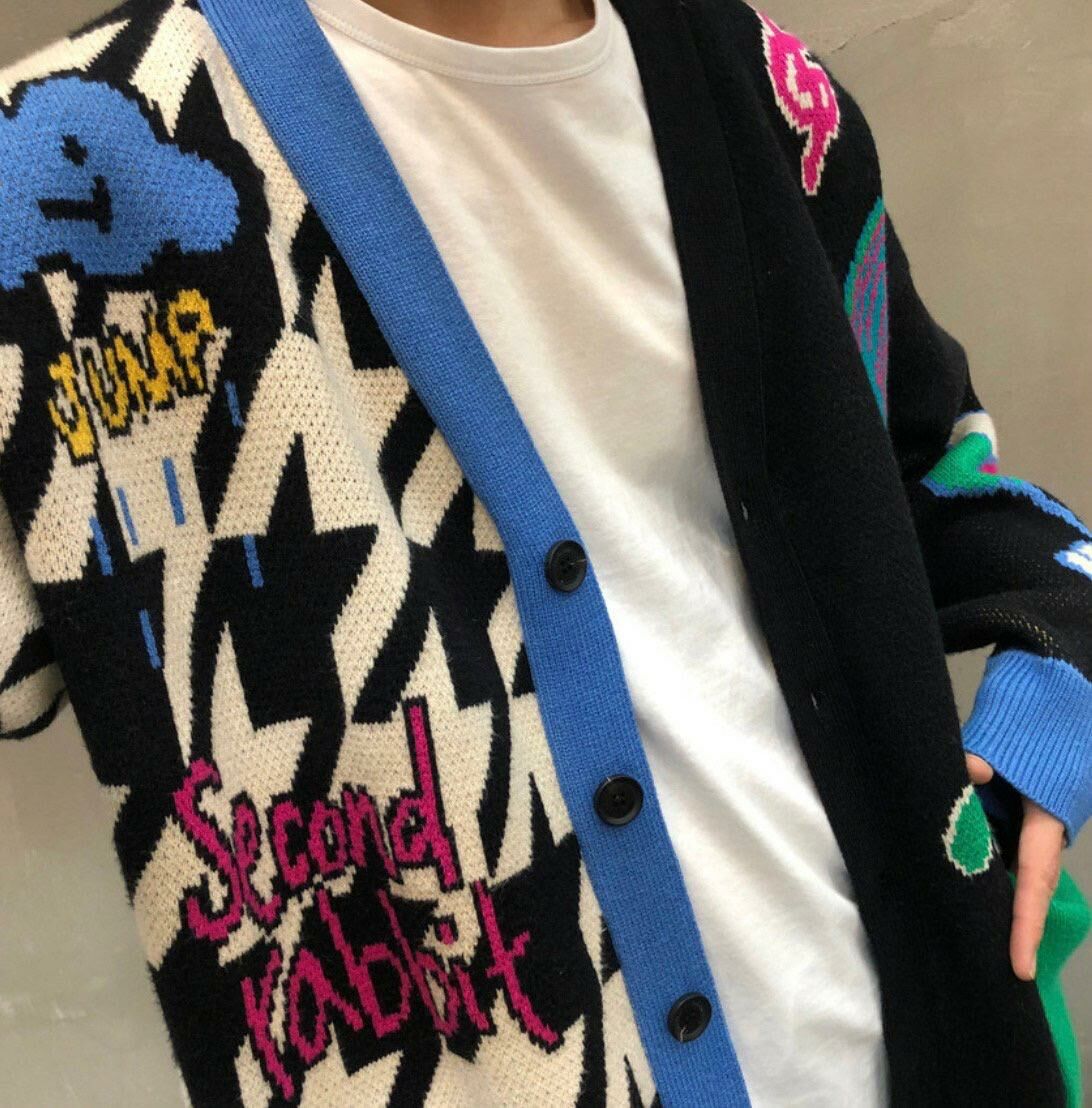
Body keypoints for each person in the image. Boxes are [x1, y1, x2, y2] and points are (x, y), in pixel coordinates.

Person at [0, 0, 1088, 1104]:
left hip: (902, 1052)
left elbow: (932, 458)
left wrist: (1059, 685)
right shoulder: (61, 163)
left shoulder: (761, 86)